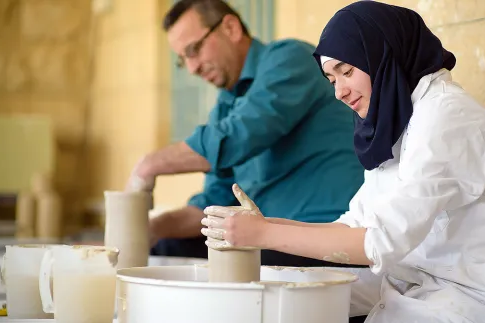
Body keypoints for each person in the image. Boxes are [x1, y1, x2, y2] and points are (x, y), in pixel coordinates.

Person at [201, 1, 485, 323]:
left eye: (347, 71)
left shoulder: (447, 117)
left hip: (484, 304)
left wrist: (266, 234)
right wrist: (266, 227)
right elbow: (356, 224)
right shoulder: (395, 124)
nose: (339, 91)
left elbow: (380, 242)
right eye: (332, 79)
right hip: (423, 291)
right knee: (276, 292)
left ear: (383, 56)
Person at [125, 0, 366, 268]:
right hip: (268, 239)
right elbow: (212, 205)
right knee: (165, 248)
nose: (192, 68)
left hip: (325, 236)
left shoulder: (289, 59)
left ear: (230, 28)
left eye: (194, 50)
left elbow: (238, 138)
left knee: (230, 270)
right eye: (183, 60)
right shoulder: (225, 108)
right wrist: (154, 227)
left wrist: (149, 166)